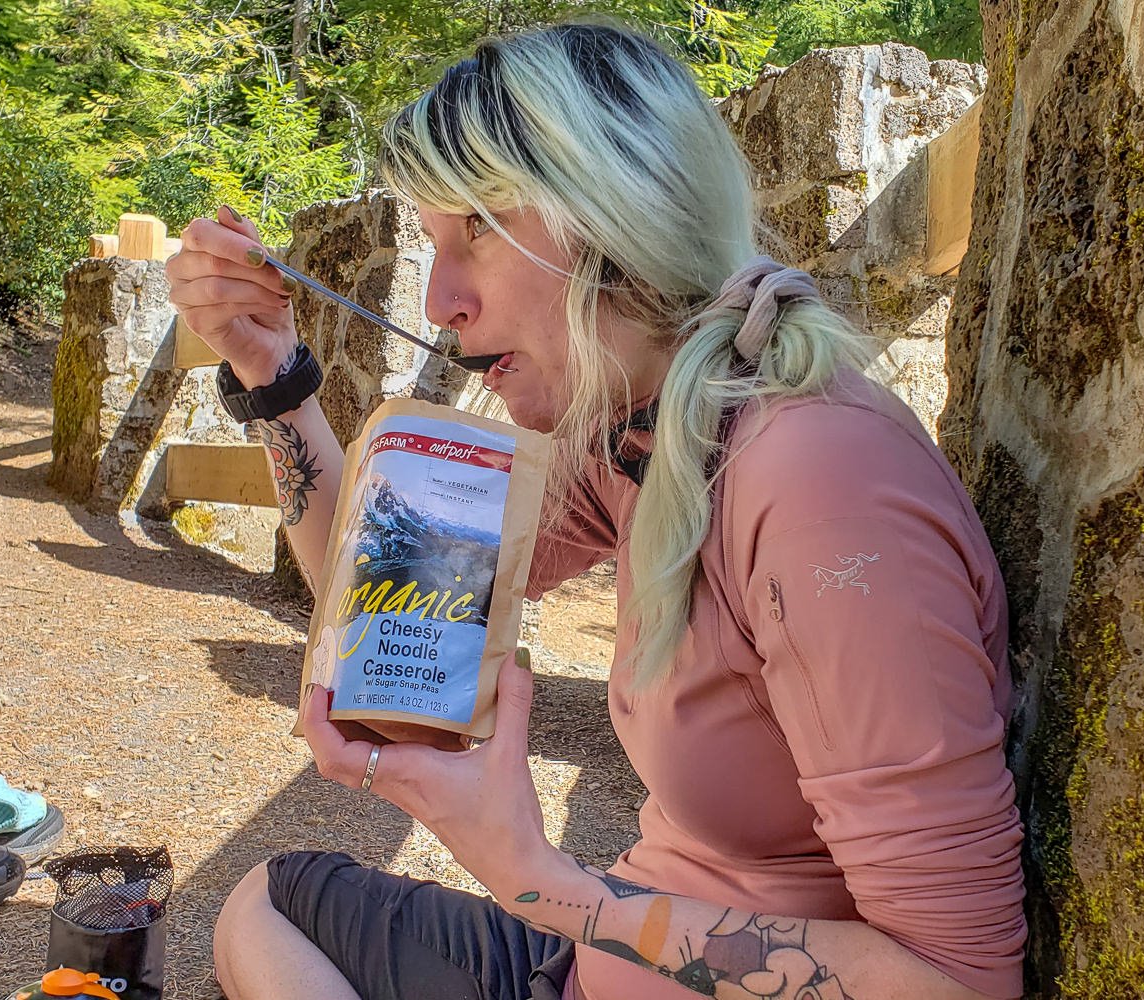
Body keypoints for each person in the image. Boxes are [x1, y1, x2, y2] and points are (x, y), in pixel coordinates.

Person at [167, 21, 1026, 1000]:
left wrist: (543, 883)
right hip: (590, 963)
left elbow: (957, 980)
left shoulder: (823, 487)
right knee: (269, 903)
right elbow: (377, 609)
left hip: (592, 939)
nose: (444, 297)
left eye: (479, 230)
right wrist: (271, 377)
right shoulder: (641, 431)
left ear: (617, 210)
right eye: (434, 244)